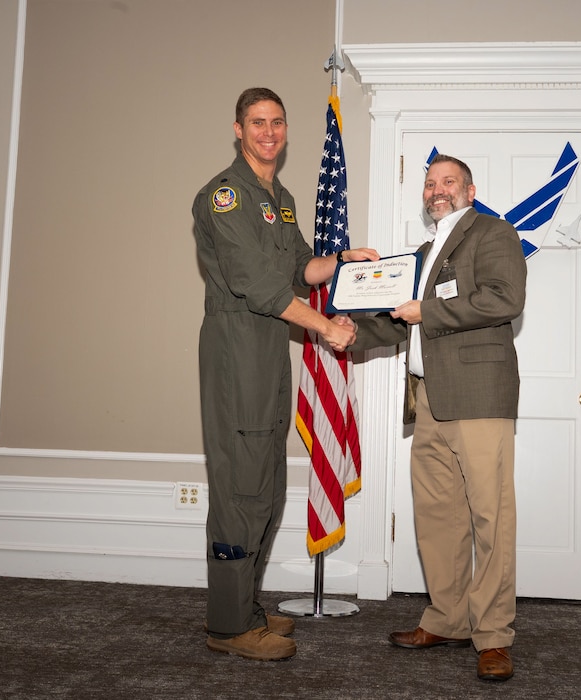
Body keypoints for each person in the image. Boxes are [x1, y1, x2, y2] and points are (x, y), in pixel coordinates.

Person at [191, 87, 378, 661]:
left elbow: (299, 268)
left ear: (286, 129)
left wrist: (342, 260)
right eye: (257, 122)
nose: (268, 132)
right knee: (239, 486)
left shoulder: (282, 198)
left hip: (270, 343)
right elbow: (255, 282)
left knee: (267, 481)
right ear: (238, 129)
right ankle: (229, 626)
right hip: (236, 344)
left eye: (276, 122)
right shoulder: (224, 196)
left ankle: (244, 607)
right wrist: (325, 328)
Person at [338, 155, 526, 681]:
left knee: (491, 520)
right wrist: (350, 331)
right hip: (428, 401)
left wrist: (429, 311)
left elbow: (504, 299)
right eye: (429, 183)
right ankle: (448, 620)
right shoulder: (421, 254)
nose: (436, 190)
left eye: (447, 182)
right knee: (438, 518)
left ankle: (493, 635)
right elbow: (400, 323)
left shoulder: (493, 233)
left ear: (470, 189)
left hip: (479, 398)